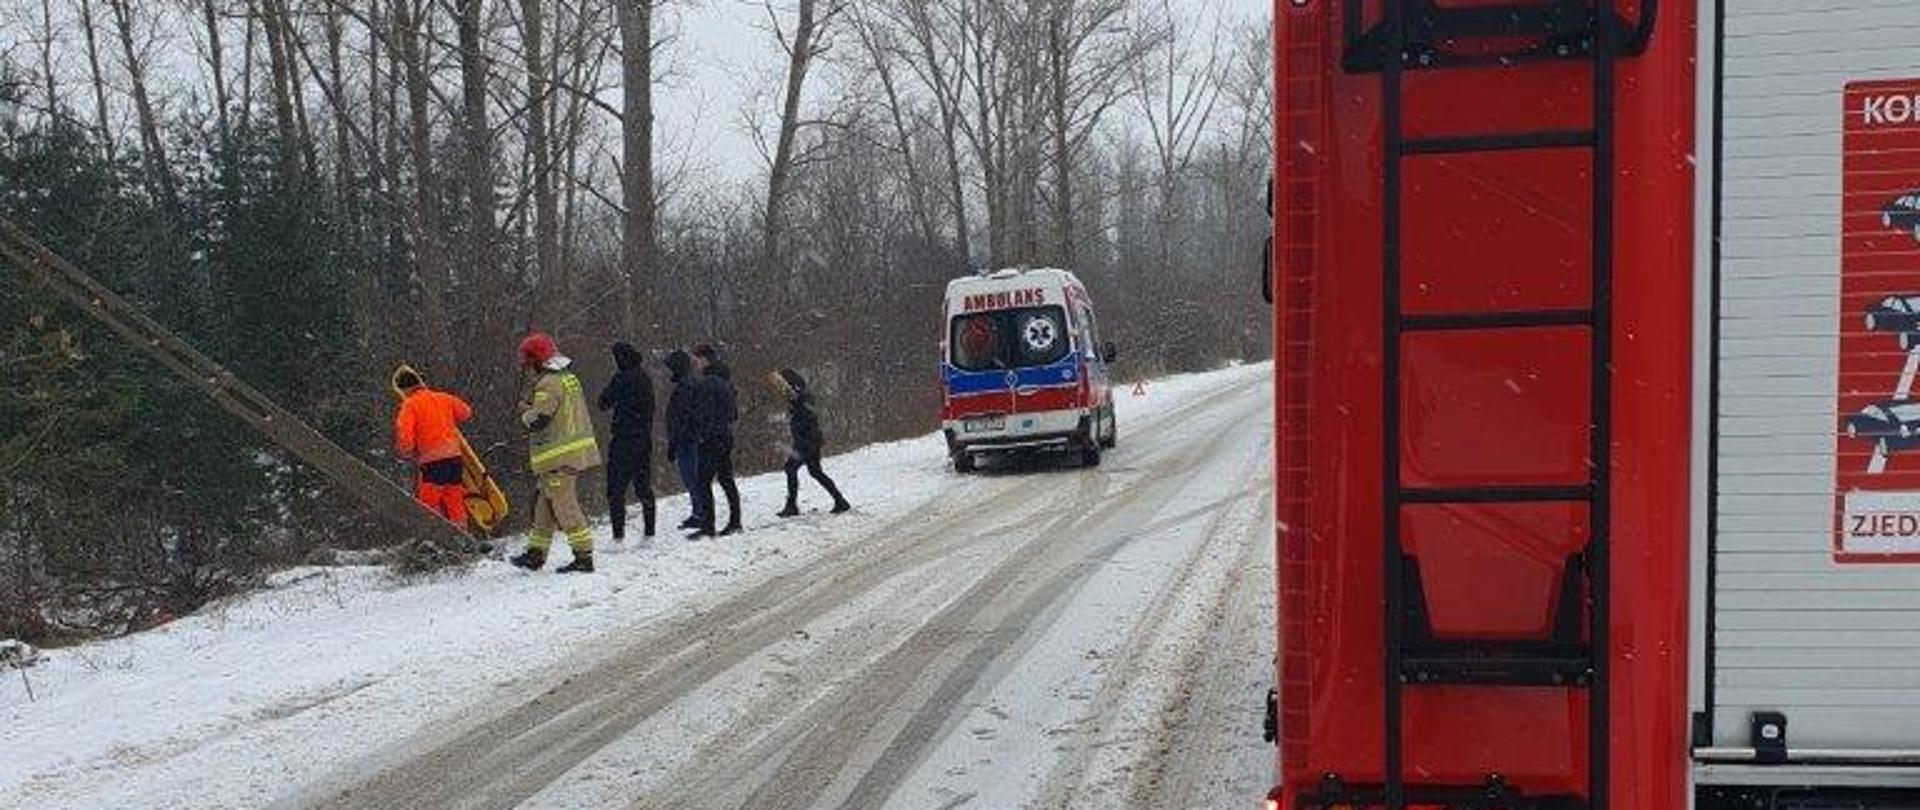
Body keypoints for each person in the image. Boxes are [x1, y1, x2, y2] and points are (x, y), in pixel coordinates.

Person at [511, 333, 603, 573]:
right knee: (544, 506)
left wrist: (524, 412)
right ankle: (535, 553)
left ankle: (583, 556)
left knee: (564, 505)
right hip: (570, 453)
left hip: (558, 456)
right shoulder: (567, 377)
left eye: (529, 362)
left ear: (537, 359)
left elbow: (539, 419)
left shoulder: (548, 383)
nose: (527, 368)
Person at [391, 365, 475, 526]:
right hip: (454, 458)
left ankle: (433, 533)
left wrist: (407, 451)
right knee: (454, 499)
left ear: (403, 389)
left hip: (432, 461)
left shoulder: (410, 405)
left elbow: (405, 435)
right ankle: (462, 533)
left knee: (428, 505)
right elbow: (466, 412)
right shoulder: (443, 398)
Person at [767, 368, 851, 517]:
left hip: (806, 441)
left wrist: (793, 400)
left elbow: (803, 411)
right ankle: (840, 500)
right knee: (815, 472)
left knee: (790, 468)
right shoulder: (804, 394)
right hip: (811, 439)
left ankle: (792, 506)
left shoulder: (800, 396)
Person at [597, 341, 656, 541]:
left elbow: (603, 403)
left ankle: (618, 536)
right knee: (643, 487)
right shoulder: (645, 377)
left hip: (623, 439)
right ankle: (649, 533)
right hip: (644, 438)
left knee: (616, 489)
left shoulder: (621, 378)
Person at [690, 343, 742, 537]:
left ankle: (708, 526)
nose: (695, 365)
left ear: (704, 359)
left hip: (711, 438)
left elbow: (702, 414)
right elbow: (733, 414)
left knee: (703, 482)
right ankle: (735, 521)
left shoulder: (707, 384)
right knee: (726, 479)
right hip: (725, 435)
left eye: (696, 360)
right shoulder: (727, 382)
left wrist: (701, 434)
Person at [664, 350, 706, 531]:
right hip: (690, 438)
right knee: (692, 478)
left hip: (688, 440)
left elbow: (683, 417)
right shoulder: (689, 383)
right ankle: (699, 512)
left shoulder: (686, 386)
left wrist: (674, 442)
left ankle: (701, 513)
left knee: (692, 478)